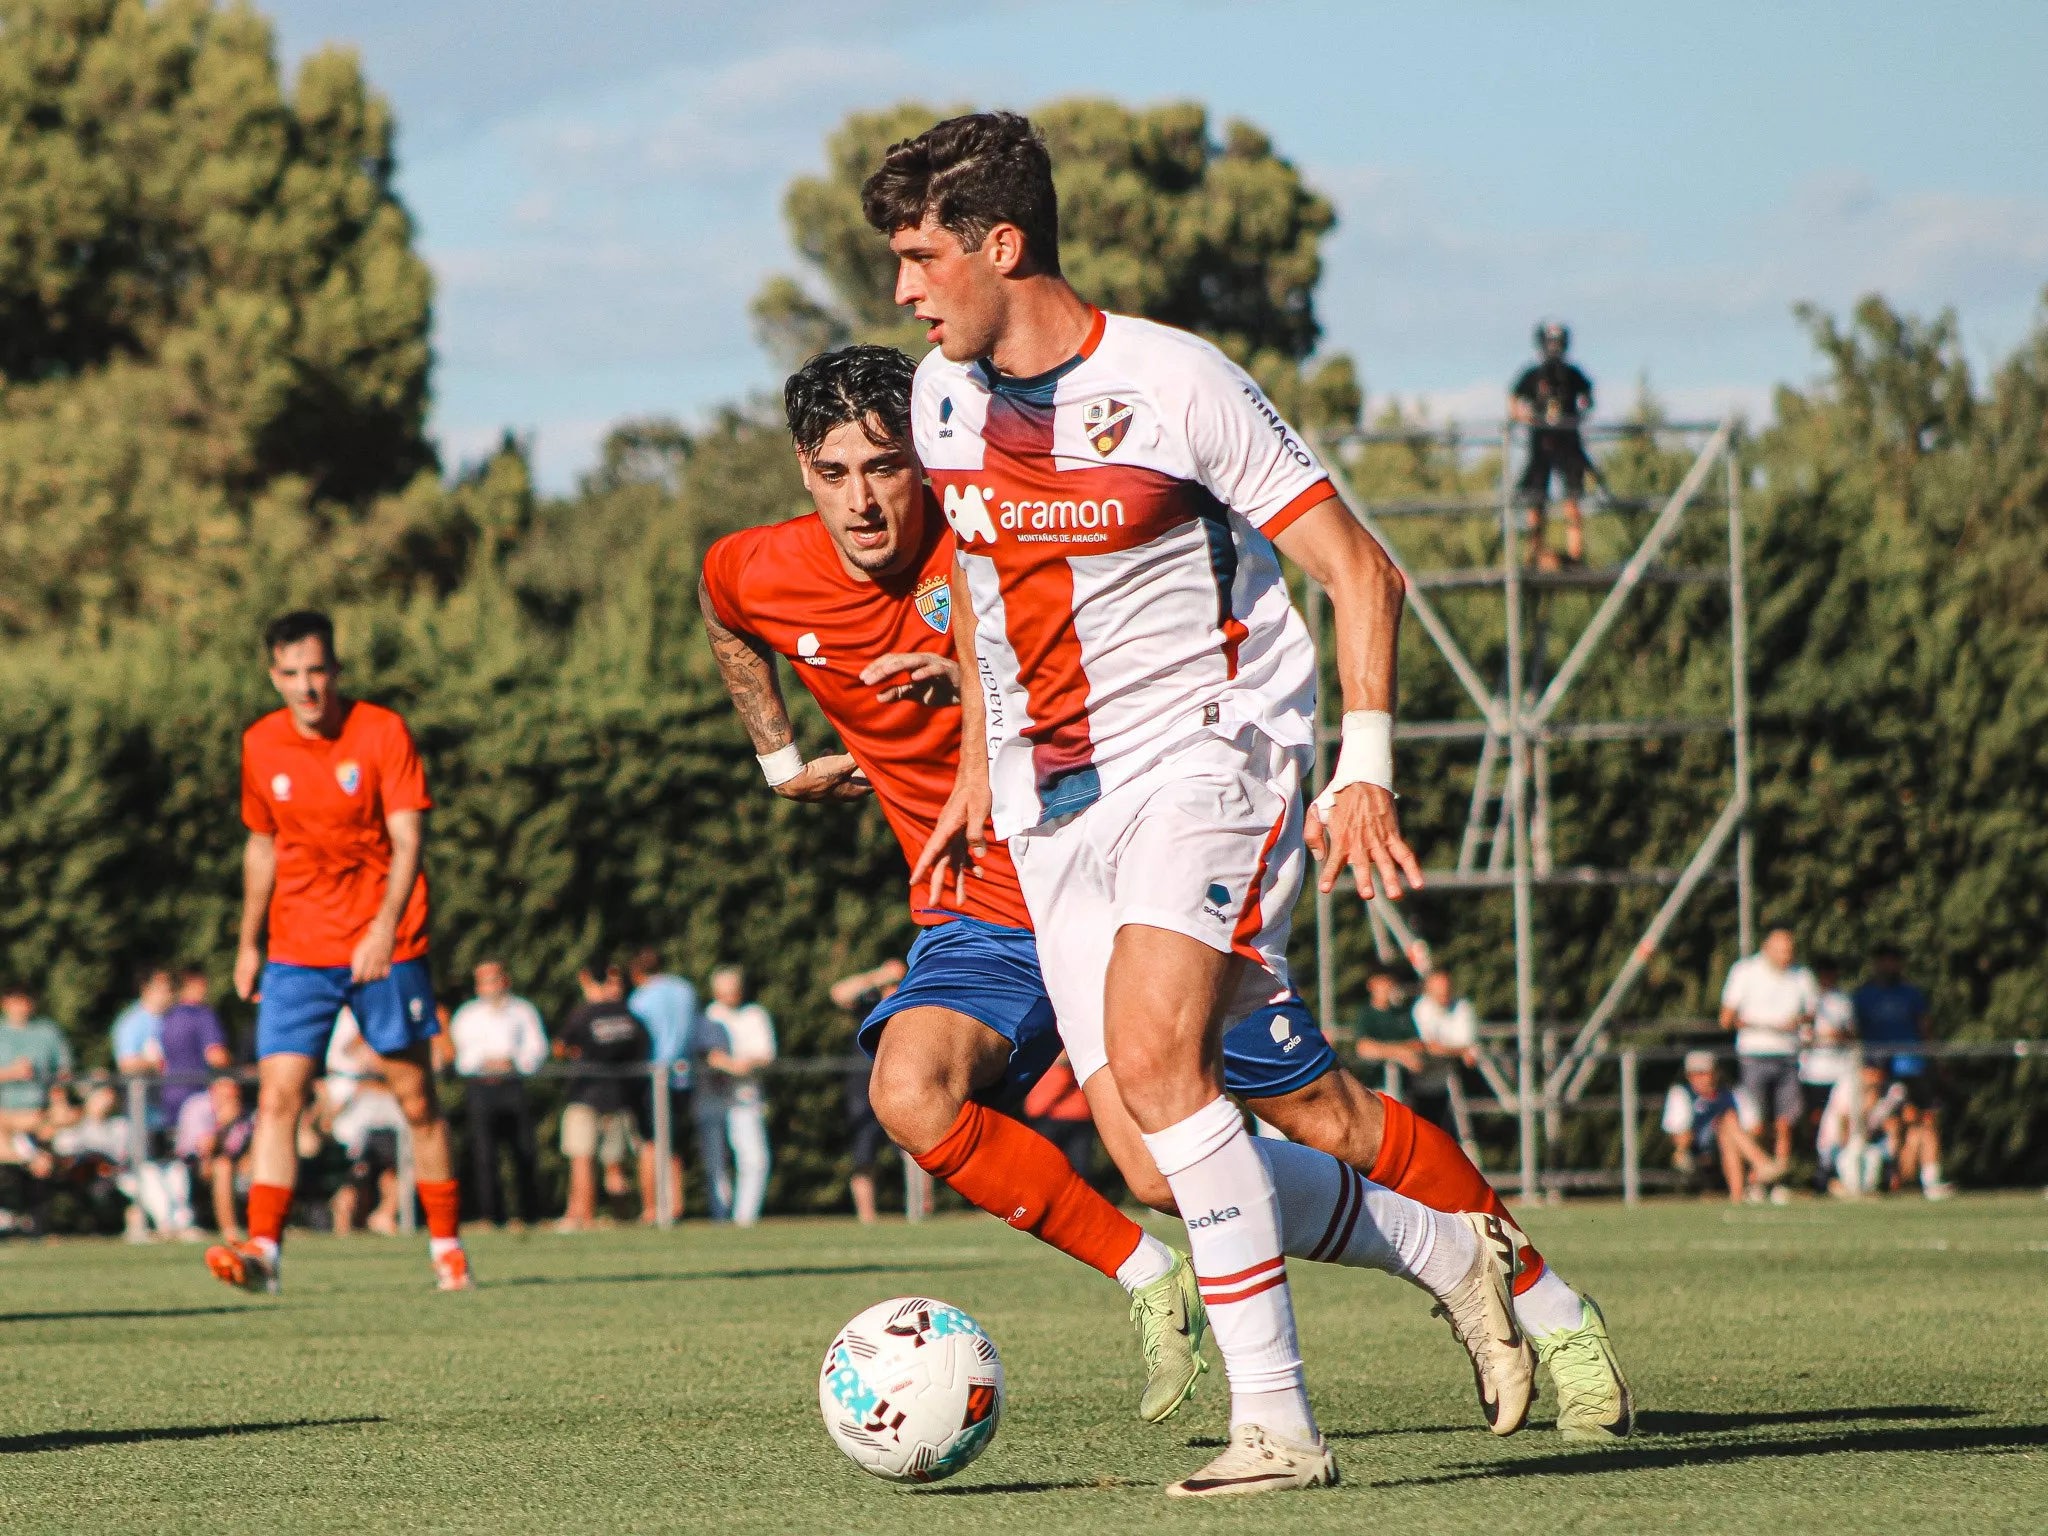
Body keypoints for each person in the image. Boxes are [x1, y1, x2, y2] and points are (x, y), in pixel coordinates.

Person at [876, 117, 1636, 1490]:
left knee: (1172, 1072)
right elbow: (986, 588)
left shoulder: (1176, 382)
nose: (906, 293)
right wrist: (985, 759)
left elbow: (1361, 572)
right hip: (1056, 812)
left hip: (1209, 756)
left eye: (922, 258)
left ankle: (1278, 1429)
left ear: (1002, 245)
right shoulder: (941, 401)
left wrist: (1363, 765)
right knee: (1161, 1162)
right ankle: (1456, 1251)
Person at [703, 334, 1625, 1453]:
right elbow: (727, 621)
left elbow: (1106, 646)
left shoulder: (992, 529)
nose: (864, 500)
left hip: (1124, 854)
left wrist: (979, 702)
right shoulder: (754, 566)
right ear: (802, 468)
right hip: (990, 907)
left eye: (887, 466)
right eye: (836, 471)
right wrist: (776, 760)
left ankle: (1535, 1298)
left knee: (1313, 1110)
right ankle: (1159, 1286)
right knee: (935, 1101)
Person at [208, 609, 470, 1294]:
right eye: (292, 674)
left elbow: (408, 839)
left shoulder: (381, 731)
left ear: (336, 669)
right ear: (273, 676)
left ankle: (447, 1249)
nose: (307, 687)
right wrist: (248, 940)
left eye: (317, 671)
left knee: (416, 1098)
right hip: (297, 947)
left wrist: (384, 926)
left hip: (387, 943)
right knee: (278, 1097)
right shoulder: (260, 744)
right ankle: (264, 1251)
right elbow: (262, 845)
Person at [448, 959, 548, 1228]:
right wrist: (485, 1061)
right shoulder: (467, 1015)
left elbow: (536, 1048)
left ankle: (530, 1214)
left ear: (504, 980)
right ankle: (491, 1215)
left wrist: (513, 1061)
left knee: (524, 1150)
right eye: (483, 981)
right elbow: (461, 1055)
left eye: (493, 979)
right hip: (481, 1087)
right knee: (484, 1153)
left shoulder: (522, 1011)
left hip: (513, 1086)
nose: (489, 986)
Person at [554, 959, 649, 1232]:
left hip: (585, 1096)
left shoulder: (584, 1014)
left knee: (582, 1159)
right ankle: (622, 1219)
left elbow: (561, 1047)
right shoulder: (629, 1015)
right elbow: (641, 1047)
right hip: (620, 1097)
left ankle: (584, 1217)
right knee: (615, 1166)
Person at [1718, 928, 1815, 1188]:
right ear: (1766, 949)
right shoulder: (1745, 972)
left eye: (1790, 952)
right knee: (1756, 1123)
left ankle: (1778, 1178)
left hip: (1788, 1056)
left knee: (1786, 1123)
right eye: (1782, 951)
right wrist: (1758, 1025)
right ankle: (1758, 1177)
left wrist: (1797, 1021)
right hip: (1754, 1055)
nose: (1787, 957)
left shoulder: (1802, 975)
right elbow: (1726, 1018)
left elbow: (1811, 1013)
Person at [1852, 945, 1950, 1198]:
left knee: (1925, 1119)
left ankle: (1931, 1178)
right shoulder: (1863, 995)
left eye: (1893, 961)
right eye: (1884, 961)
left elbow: (1925, 1029)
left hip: (1912, 1065)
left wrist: (1936, 1061)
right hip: (1879, 1069)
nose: (1889, 967)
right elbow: (1855, 1033)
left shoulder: (1911, 994)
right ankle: (1883, 1177)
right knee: (1887, 1124)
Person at [1509, 321, 1596, 569]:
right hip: (1541, 447)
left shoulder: (1572, 374)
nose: (1554, 348)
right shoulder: (1533, 375)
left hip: (1569, 446)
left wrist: (1574, 417)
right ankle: (1534, 553)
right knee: (1536, 500)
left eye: (1558, 343)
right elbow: (1513, 401)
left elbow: (1588, 398)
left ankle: (1575, 554)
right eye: (1550, 343)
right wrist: (1531, 419)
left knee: (1573, 499)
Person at [696, 966, 776, 1227]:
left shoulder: (754, 1015)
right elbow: (708, 1055)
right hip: (712, 1099)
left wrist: (741, 1065)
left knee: (755, 1160)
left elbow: (765, 1054)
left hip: (746, 1097)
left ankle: (745, 1219)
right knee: (715, 1163)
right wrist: (730, 1065)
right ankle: (719, 1217)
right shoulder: (708, 1017)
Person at [828, 960, 907, 1224]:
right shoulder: (869, 1002)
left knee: (916, 1152)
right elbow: (838, 993)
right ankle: (867, 1217)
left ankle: (920, 1209)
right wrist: (877, 975)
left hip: (902, 1085)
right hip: (863, 1087)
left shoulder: (910, 999)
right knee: (864, 1154)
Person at [626, 948, 697, 1225]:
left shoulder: (641, 998)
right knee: (672, 1143)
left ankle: (652, 1208)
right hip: (683, 1075)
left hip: (654, 1075)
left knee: (650, 1144)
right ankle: (676, 1204)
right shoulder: (685, 990)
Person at [323, 1008, 407, 1235]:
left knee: (394, 1167)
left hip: (381, 1112)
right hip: (357, 1115)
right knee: (358, 1171)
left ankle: (383, 1215)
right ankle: (345, 1221)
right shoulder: (339, 1020)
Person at [1662, 1050, 1778, 1202]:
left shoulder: (1734, 1093)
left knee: (1728, 1129)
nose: (1700, 1079)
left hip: (1732, 1146)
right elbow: (1680, 1135)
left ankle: (1737, 1196)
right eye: (1695, 1074)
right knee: (1728, 1122)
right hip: (1698, 1150)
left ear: (1715, 1073)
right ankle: (1761, 1164)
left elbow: (1755, 1129)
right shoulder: (1682, 1094)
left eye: (1704, 1073)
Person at [178, 1074, 256, 1239]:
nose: (232, 1099)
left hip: (234, 1162)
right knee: (223, 1166)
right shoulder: (197, 1107)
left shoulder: (244, 1111)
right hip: (196, 1164)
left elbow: (249, 1146)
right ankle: (230, 1230)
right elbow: (205, 1149)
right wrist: (223, 1123)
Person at [159, 968, 232, 1128]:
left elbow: (160, 1061)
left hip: (169, 1098)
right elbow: (216, 1056)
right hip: (199, 1097)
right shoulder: (202, 1015)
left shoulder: (166, 1018)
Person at [0, 983, 72, 1142]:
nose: (22, 1006)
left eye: (26, 1000)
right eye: (17, 1001)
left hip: (42, 1112)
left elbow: (63, 1071)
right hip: (6, 1114)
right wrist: (12, 1073)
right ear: (5, 1003)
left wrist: (57, 1097)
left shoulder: (47, 1031)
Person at [1023, 1054, 1098, 1182]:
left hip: (1072, 1113)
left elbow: (1069, 1057)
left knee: (1078, 1174)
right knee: (1042, 1170)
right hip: (1044, 1111)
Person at [1353, 971, 1427, 1079]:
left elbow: (1417, 1044)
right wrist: (1399, 1052)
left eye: (1390, 982)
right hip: (1375, 1083)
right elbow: (1364, 1048)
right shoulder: (1365, 1014)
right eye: (1382, 983)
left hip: (1405, 1084)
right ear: (1371, 986)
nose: (1387, 987)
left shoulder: (1402, 1013)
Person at [111, 967, 172, 1081]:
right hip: (142, 1092)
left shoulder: (171, 1018)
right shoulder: (131, 1021)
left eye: (168, 989)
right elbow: (126, 1064)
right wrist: (160, 1064)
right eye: (161, 989)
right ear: (146, 989)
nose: (167, 994)